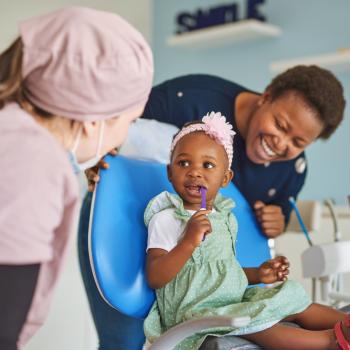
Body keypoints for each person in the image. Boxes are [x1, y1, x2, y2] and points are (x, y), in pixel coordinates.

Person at [79, 66, 346, 349]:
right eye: (280, 125)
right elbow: (108, 129)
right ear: (265, 97)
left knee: (287, 302)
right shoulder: (191, 97)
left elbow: (220, 266)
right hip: (121, 221)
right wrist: (96, 154)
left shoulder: (289, 171)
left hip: (209, 283)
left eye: (298, 143)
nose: (281, 143)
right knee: (123, 342)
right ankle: (330, 341)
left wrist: (276, 224)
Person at [0, 6, 153, 350]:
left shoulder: (11, 133)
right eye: (129, 122)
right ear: (93, 120)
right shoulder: (31, 161)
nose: (125, 136)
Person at [143, 112, 350, 350]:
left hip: (229, 300)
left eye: (208, 165)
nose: (194, 172)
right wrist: (188, 242)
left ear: (225, 178)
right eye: (183, 163)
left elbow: (221, 272)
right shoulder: (167, 219)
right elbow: (155, 277)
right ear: (170, 172)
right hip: (194, 311)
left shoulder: (224, 219)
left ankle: (344, 323)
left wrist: (258, 275)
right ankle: (331, 342)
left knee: (291, 299)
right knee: (260, 325)